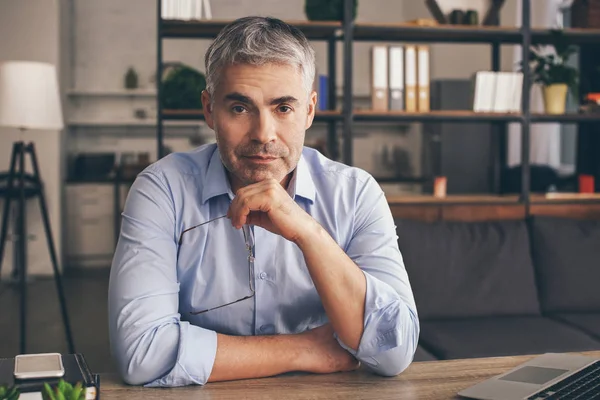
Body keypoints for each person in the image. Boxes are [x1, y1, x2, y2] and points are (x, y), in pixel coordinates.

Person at [108, 16, 419, 387]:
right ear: (209, 110)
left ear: (309, 111)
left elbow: (394, 350)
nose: (263, 134)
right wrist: (302, 350)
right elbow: (142, 353)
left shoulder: (356, 194)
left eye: (283, 108)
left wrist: (308, 233)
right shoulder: (162, 190)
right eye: (240, 108)